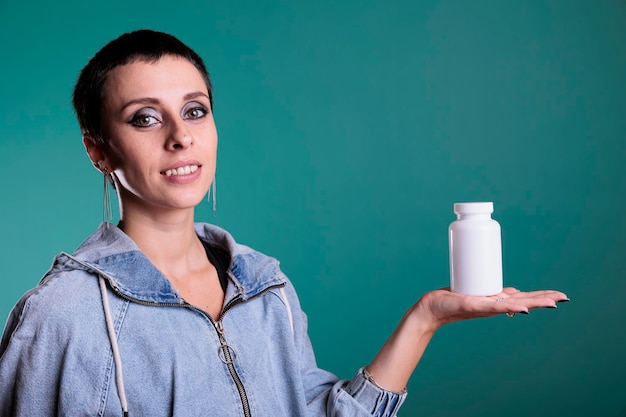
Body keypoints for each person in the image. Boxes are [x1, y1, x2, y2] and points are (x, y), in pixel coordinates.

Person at [0, 29, 568, 417]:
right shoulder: (63, 313)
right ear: (99, 152)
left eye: (195, 110)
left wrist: (425, 319)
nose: (180, 135)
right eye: (145, 118)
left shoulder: (264, 285)